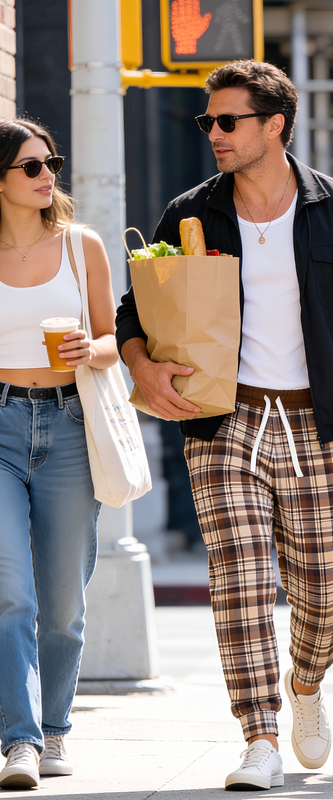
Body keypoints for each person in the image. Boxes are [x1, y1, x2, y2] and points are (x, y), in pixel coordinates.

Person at [116, 60, 333, 790]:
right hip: (223, 417)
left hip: (316, 419)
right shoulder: (190, 213)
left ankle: (305, 683)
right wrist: (142, 367)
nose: (213, 133)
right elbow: (134, 310)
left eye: (228, 121)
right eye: (206, 121)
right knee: (240, 577)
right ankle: (260, 737)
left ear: (274, 124)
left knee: (323, 587)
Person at [0, 119, 118, 789]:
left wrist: (88, 349)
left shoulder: (81, 245)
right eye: (31, 166)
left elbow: (113, 340)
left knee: (63, 601)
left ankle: (56, 729)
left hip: (69, 424)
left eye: (52, 163)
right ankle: (19, 740)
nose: (47, 175)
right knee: (9, 592)